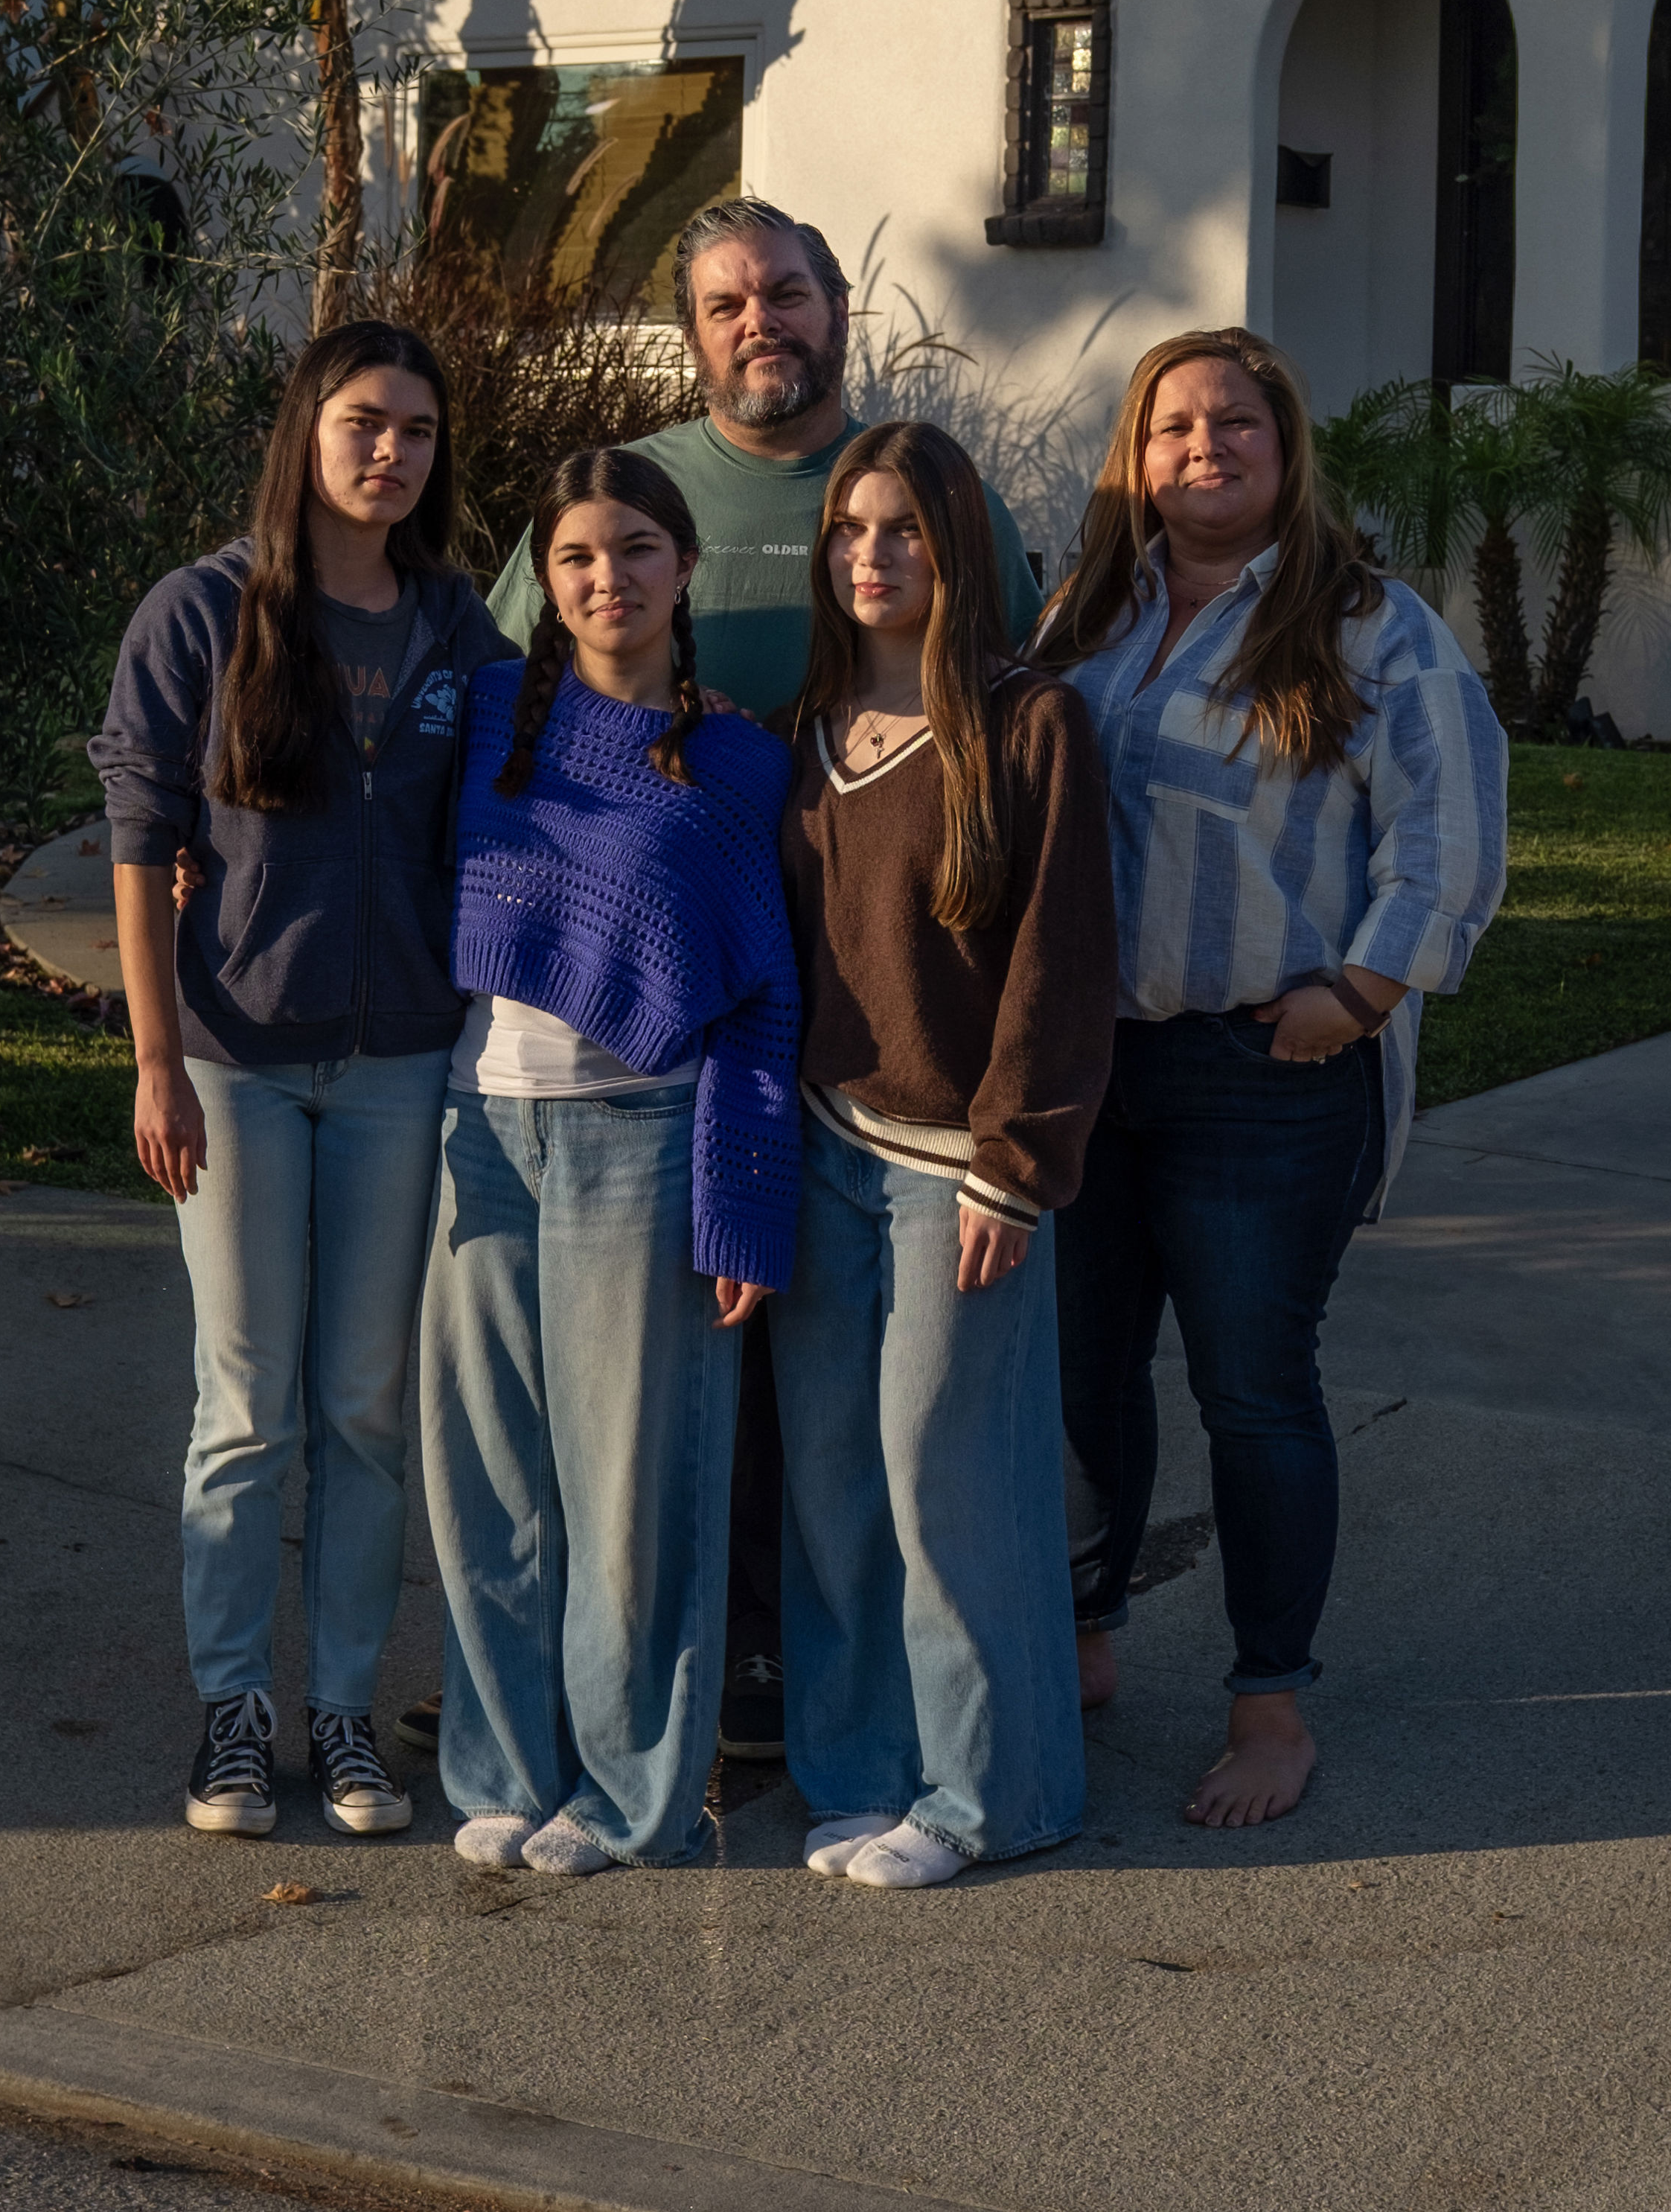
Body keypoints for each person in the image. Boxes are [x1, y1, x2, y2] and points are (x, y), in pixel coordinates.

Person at [470, 194, 1045, 1765]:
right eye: (726, 304)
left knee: (868, 1400)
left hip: (897, 1004)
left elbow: (1032, 699)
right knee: (703, 1367)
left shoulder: (919, 485)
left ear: (834, 307)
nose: (759, 323)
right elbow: (496, 708)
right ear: (693, 332)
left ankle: (908, 1688)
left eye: (785, 292)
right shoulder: (646, 493)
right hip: (679, 1009)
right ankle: (715, 1683)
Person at [1039, 328, 1507, 1831]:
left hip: (1266, 1070)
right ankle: (1087, 1637)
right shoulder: (1088, 612)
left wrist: (1360, 994)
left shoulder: (1369, 626)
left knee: (1252, 1394)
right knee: (1078, 1376)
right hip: (1096, 1070)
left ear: (1285, 447)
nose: (1205, 449)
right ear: (1139, 454)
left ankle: (1267, 1706)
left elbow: (1450, 830)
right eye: (1175, 427)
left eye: (1235, 424)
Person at [93, 322, 513, 1839]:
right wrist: (157, 1061)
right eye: (361, 420)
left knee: (362, 1405)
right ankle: (233, 1712)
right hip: (237, 1060)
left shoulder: (459, 630)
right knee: (247, 1402)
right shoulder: (201, 614)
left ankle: (340, 1708)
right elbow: (140, 849)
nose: (389, 448)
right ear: (306, 433)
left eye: (415, 426)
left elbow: (547, 780)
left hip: (403, 1060)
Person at [421, 447, 802, 1873]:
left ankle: (632, 1792)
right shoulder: (488, 734)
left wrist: (744, 1205)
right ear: (547, 579)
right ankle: (503, 1767)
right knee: (489, 1483)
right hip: (484, 1127)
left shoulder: (737, 762)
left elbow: (765, 994)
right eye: (578, 556)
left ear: (685, 567)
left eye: (637, 549)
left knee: (635, 1492)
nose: (607, 579)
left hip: (643, 1139)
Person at [767, 421, 1116, 1889]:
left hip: (955, 1171)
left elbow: (1060, 961)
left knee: (943, 1478)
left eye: (902, 529)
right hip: (822, 1150)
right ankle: (859, 1774)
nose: (871, 556)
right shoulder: (806, 732)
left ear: (957, 545)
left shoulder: (1030, 723)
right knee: (835, 1484)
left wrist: (1014, 1164)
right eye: (849, 529)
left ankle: (991, 1793)